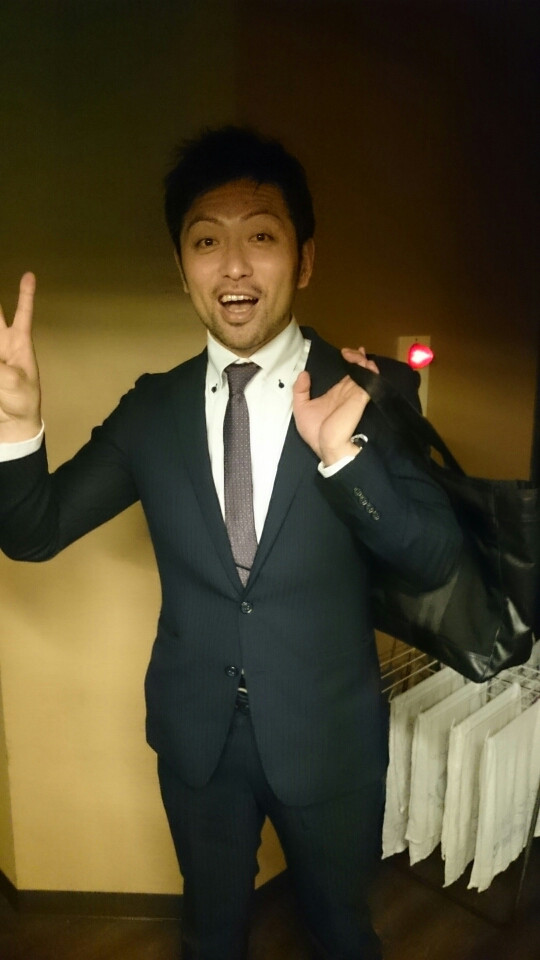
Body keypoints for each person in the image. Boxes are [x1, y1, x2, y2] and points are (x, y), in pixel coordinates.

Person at [0, 126, 462, 960]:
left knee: (341, 930)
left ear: (305, 259)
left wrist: (346, 461)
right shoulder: (152, 410)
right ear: (182, 268)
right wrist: (17, 431)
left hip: (328, 736)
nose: (235, 267)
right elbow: (32, 532)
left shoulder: (370, 389)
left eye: (262, 236)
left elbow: (435, 557)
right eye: (207, 242)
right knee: (209, 933)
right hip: (197, 737)